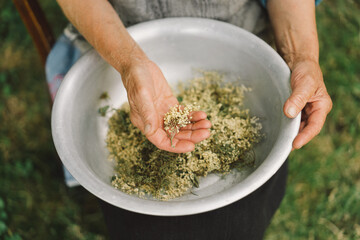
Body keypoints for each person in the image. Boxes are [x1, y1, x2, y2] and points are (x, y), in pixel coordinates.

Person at [47, 0, 332, 239]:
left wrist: (301, 57)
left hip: (242, 43)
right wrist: (129, 62)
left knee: (240, 219)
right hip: (114, 39)